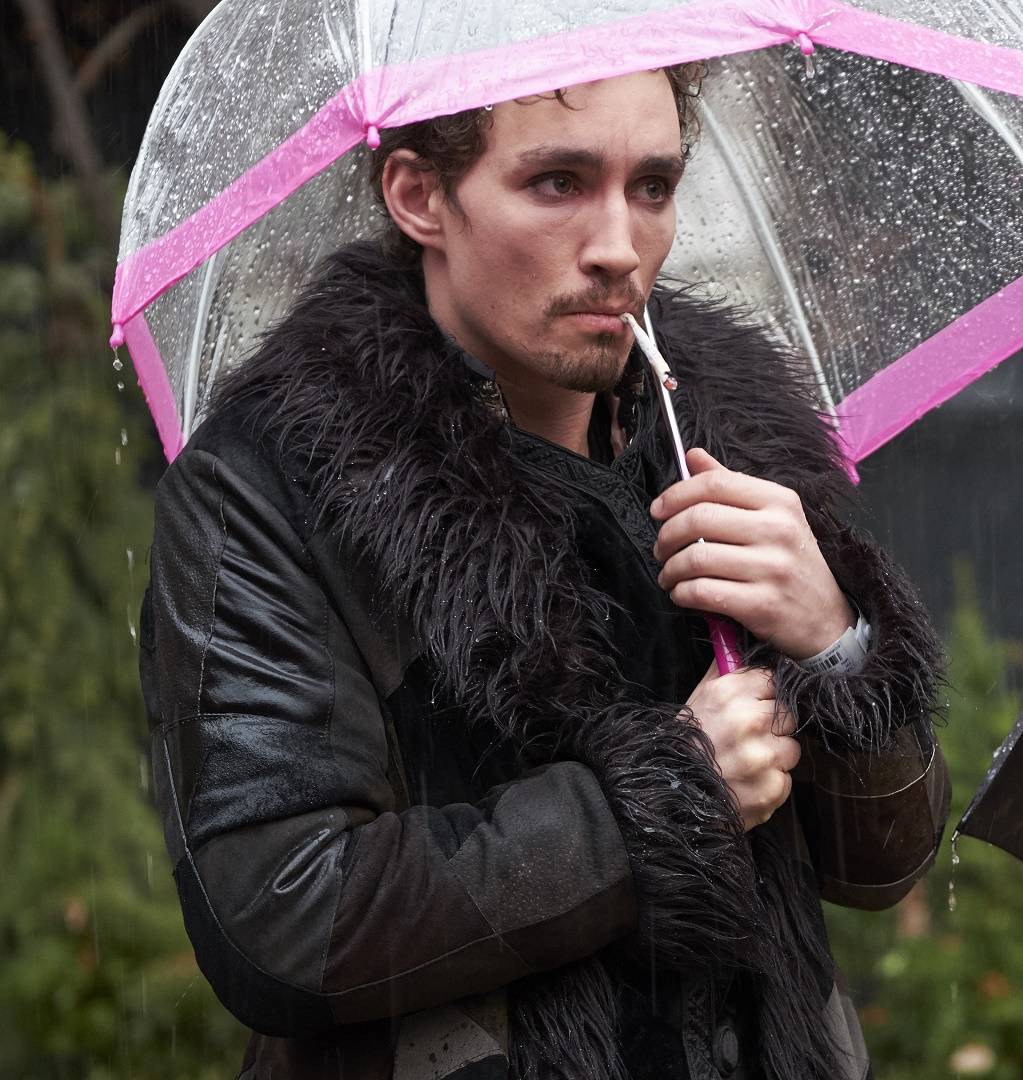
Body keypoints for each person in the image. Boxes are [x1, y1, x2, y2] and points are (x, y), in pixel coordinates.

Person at [139, 65, 948, 1080]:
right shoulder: (272, 485)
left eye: (652, 187)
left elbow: (886, 863)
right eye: (558, 183)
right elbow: (282, 919)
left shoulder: (733, 443)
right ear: (418, 196)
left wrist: (836, 639)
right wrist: (653, 803)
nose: (620, 248)